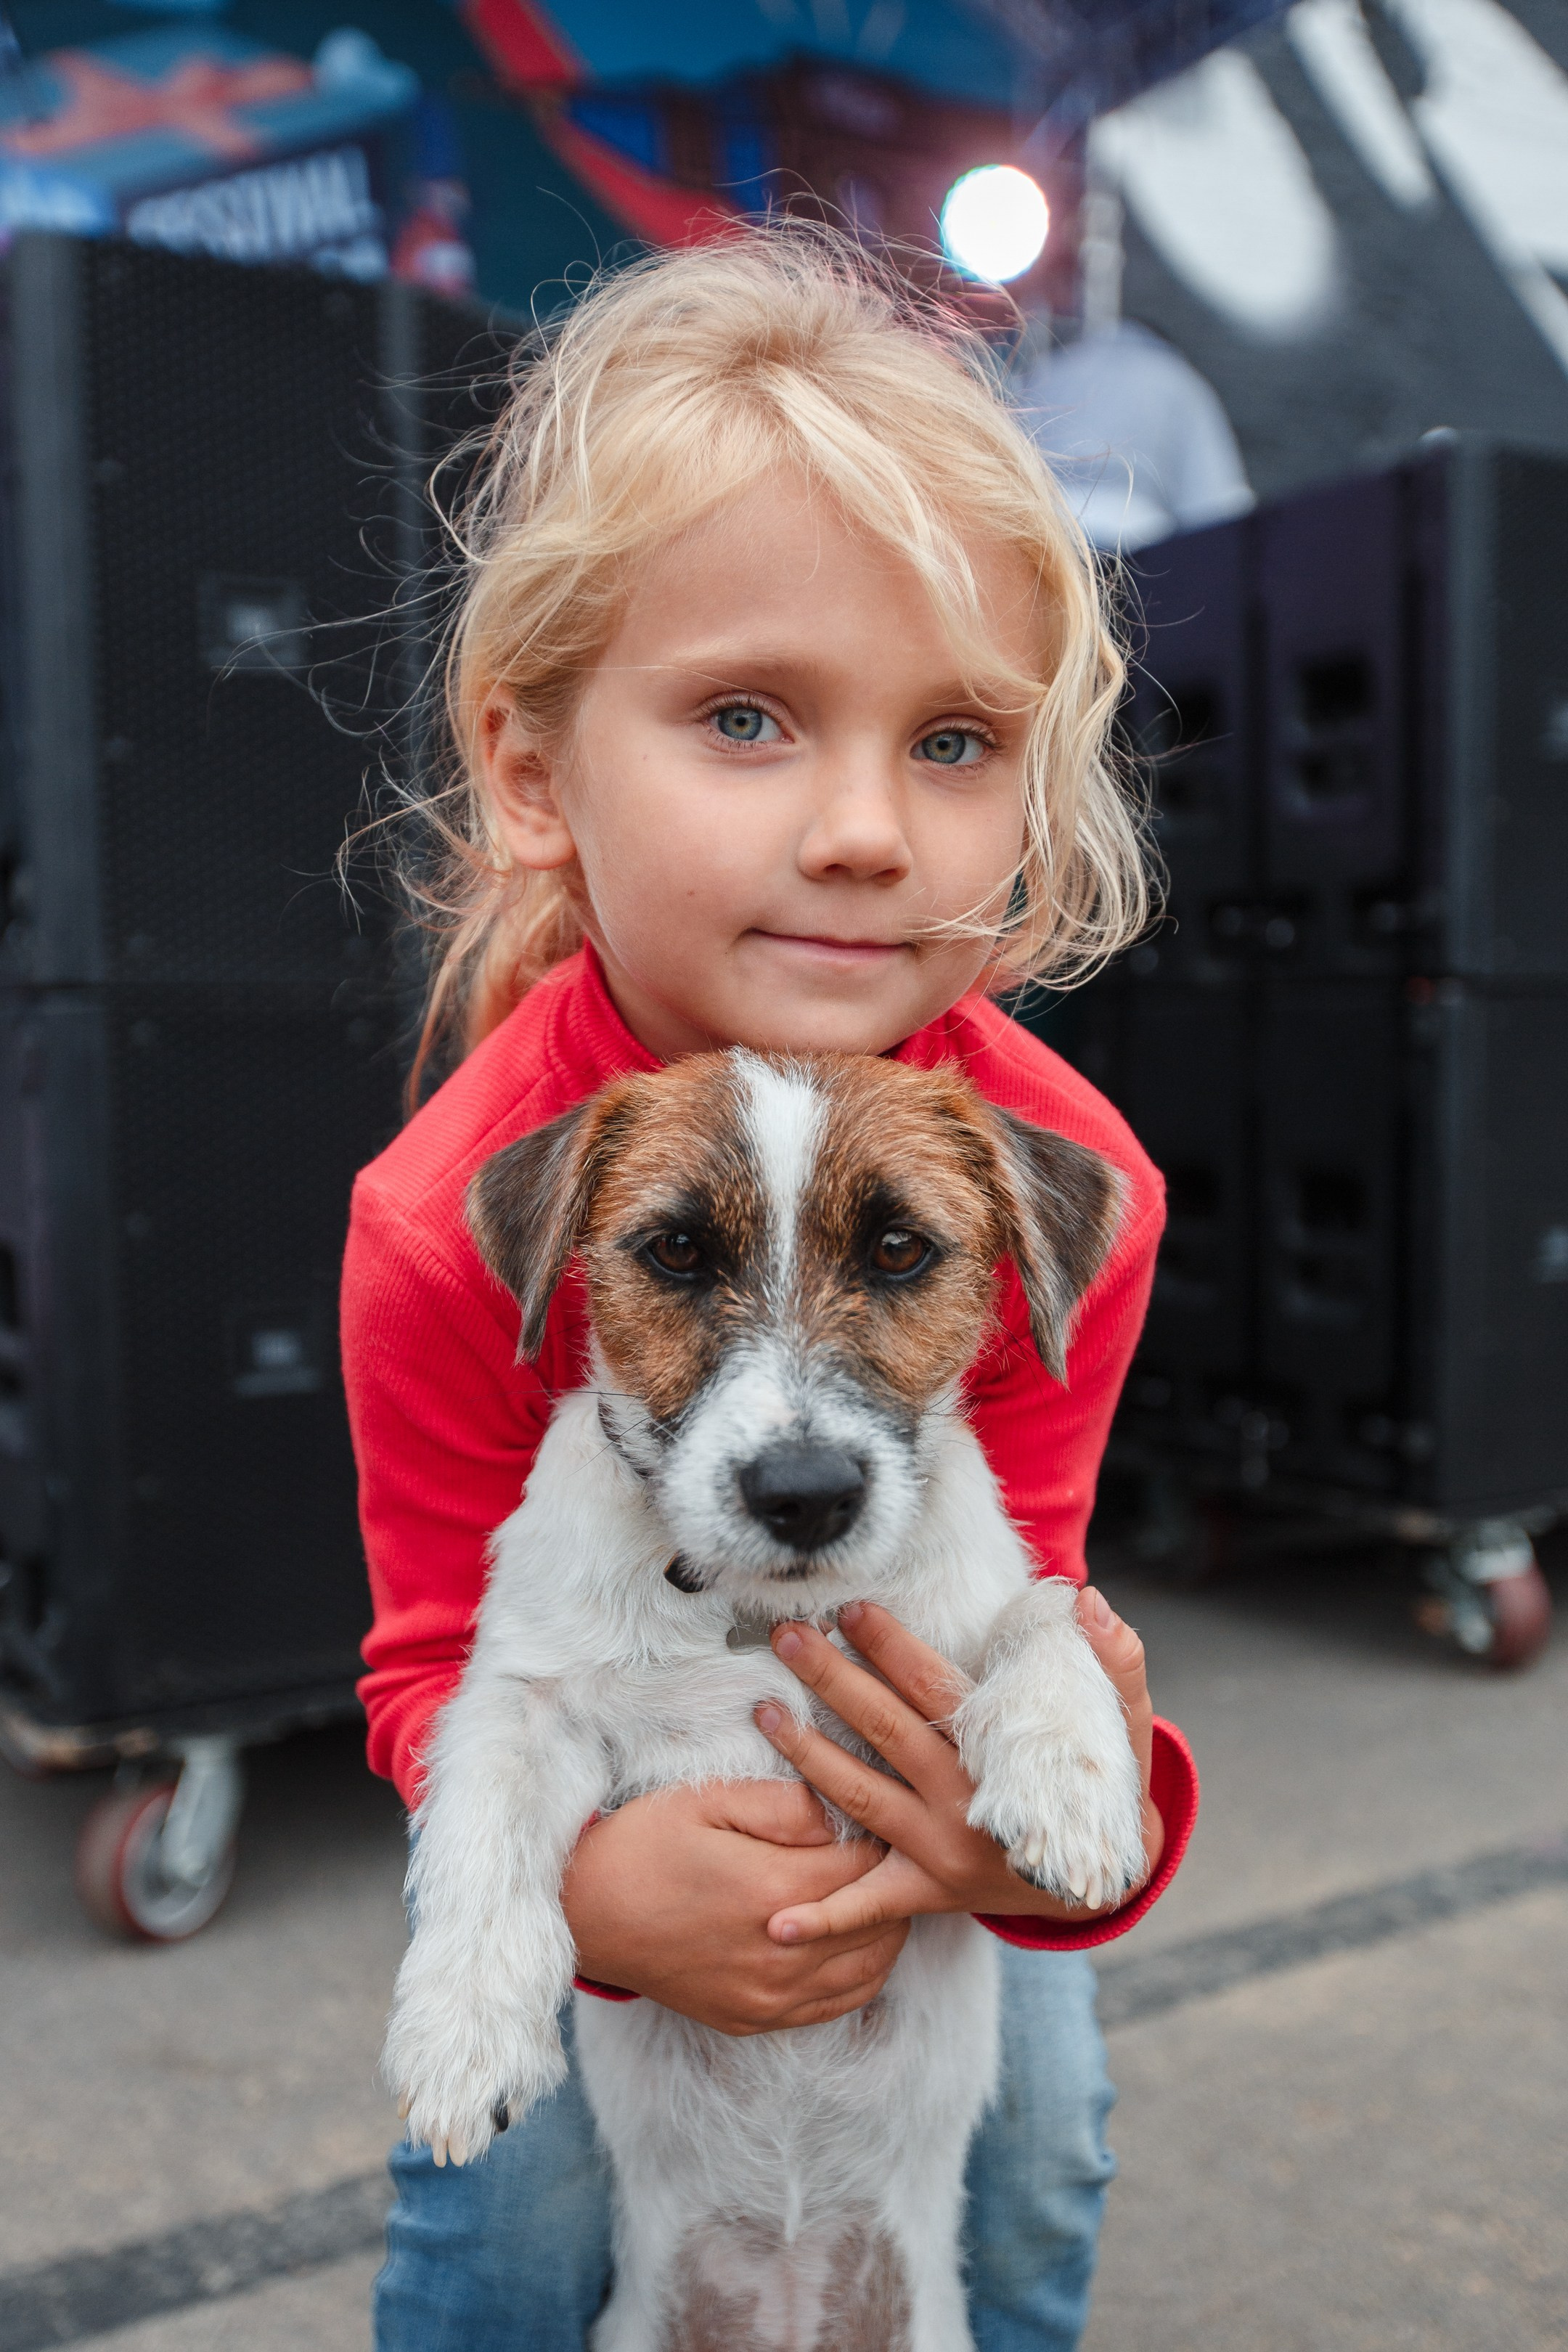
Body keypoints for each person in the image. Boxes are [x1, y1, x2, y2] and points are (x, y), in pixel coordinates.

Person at [341, 225, 1199, 2351]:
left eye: (956, 740)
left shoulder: (1061, 1183)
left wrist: (1052, 1830)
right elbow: (443, 1667)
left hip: (905, 1792)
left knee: (1047, 2147)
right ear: (532, 771)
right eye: (747, 717)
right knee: (497, 2200)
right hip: (610, 1797)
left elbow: (1022, 1606)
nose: (861, 830)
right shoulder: (448, 1219)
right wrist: (590, 1900)